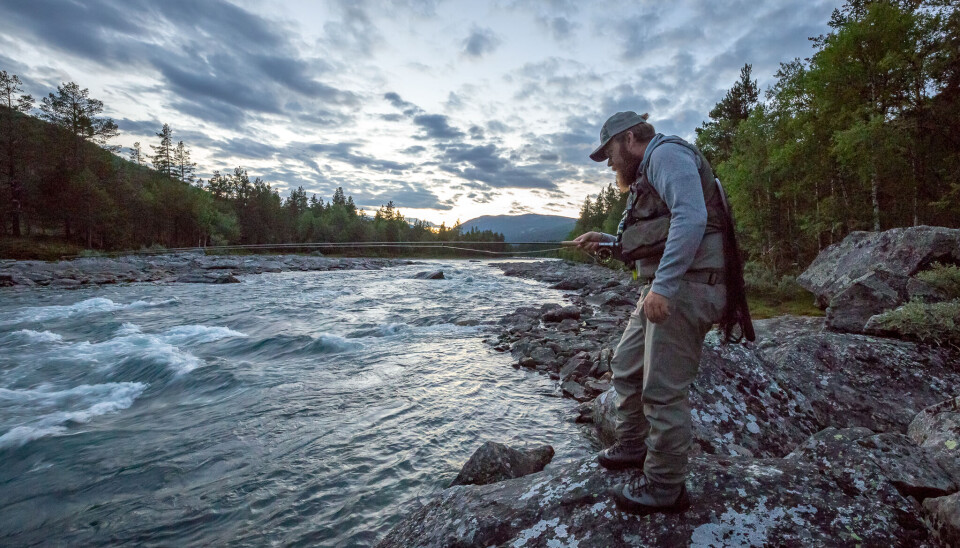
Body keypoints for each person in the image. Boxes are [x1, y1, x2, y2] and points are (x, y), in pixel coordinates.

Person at [573, 111, 727, 515]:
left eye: (609, 152)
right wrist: (607, 240)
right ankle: (632, 445)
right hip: (669, 287)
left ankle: (665, 486)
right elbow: (653, 234)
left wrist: (663, 285)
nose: (609, 163)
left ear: (627, 139)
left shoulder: (667, 155)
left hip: (685, 289)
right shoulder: (648, 171)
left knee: (661, 390)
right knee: (625, 366)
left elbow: (691, 217)